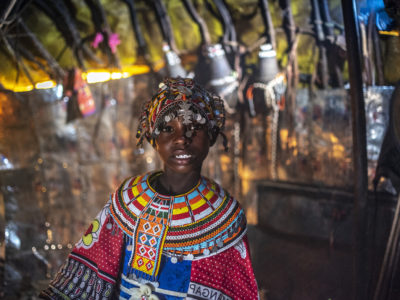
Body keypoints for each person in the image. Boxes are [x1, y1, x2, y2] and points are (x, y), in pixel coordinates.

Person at [40, 77, 259, 299]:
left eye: (194, 127)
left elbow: (236, 292)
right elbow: (87, 273)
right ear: (152, 137)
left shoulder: (225, 217)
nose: (181, 139)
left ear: (211, 136)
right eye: (167, 128)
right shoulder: (126, 201)